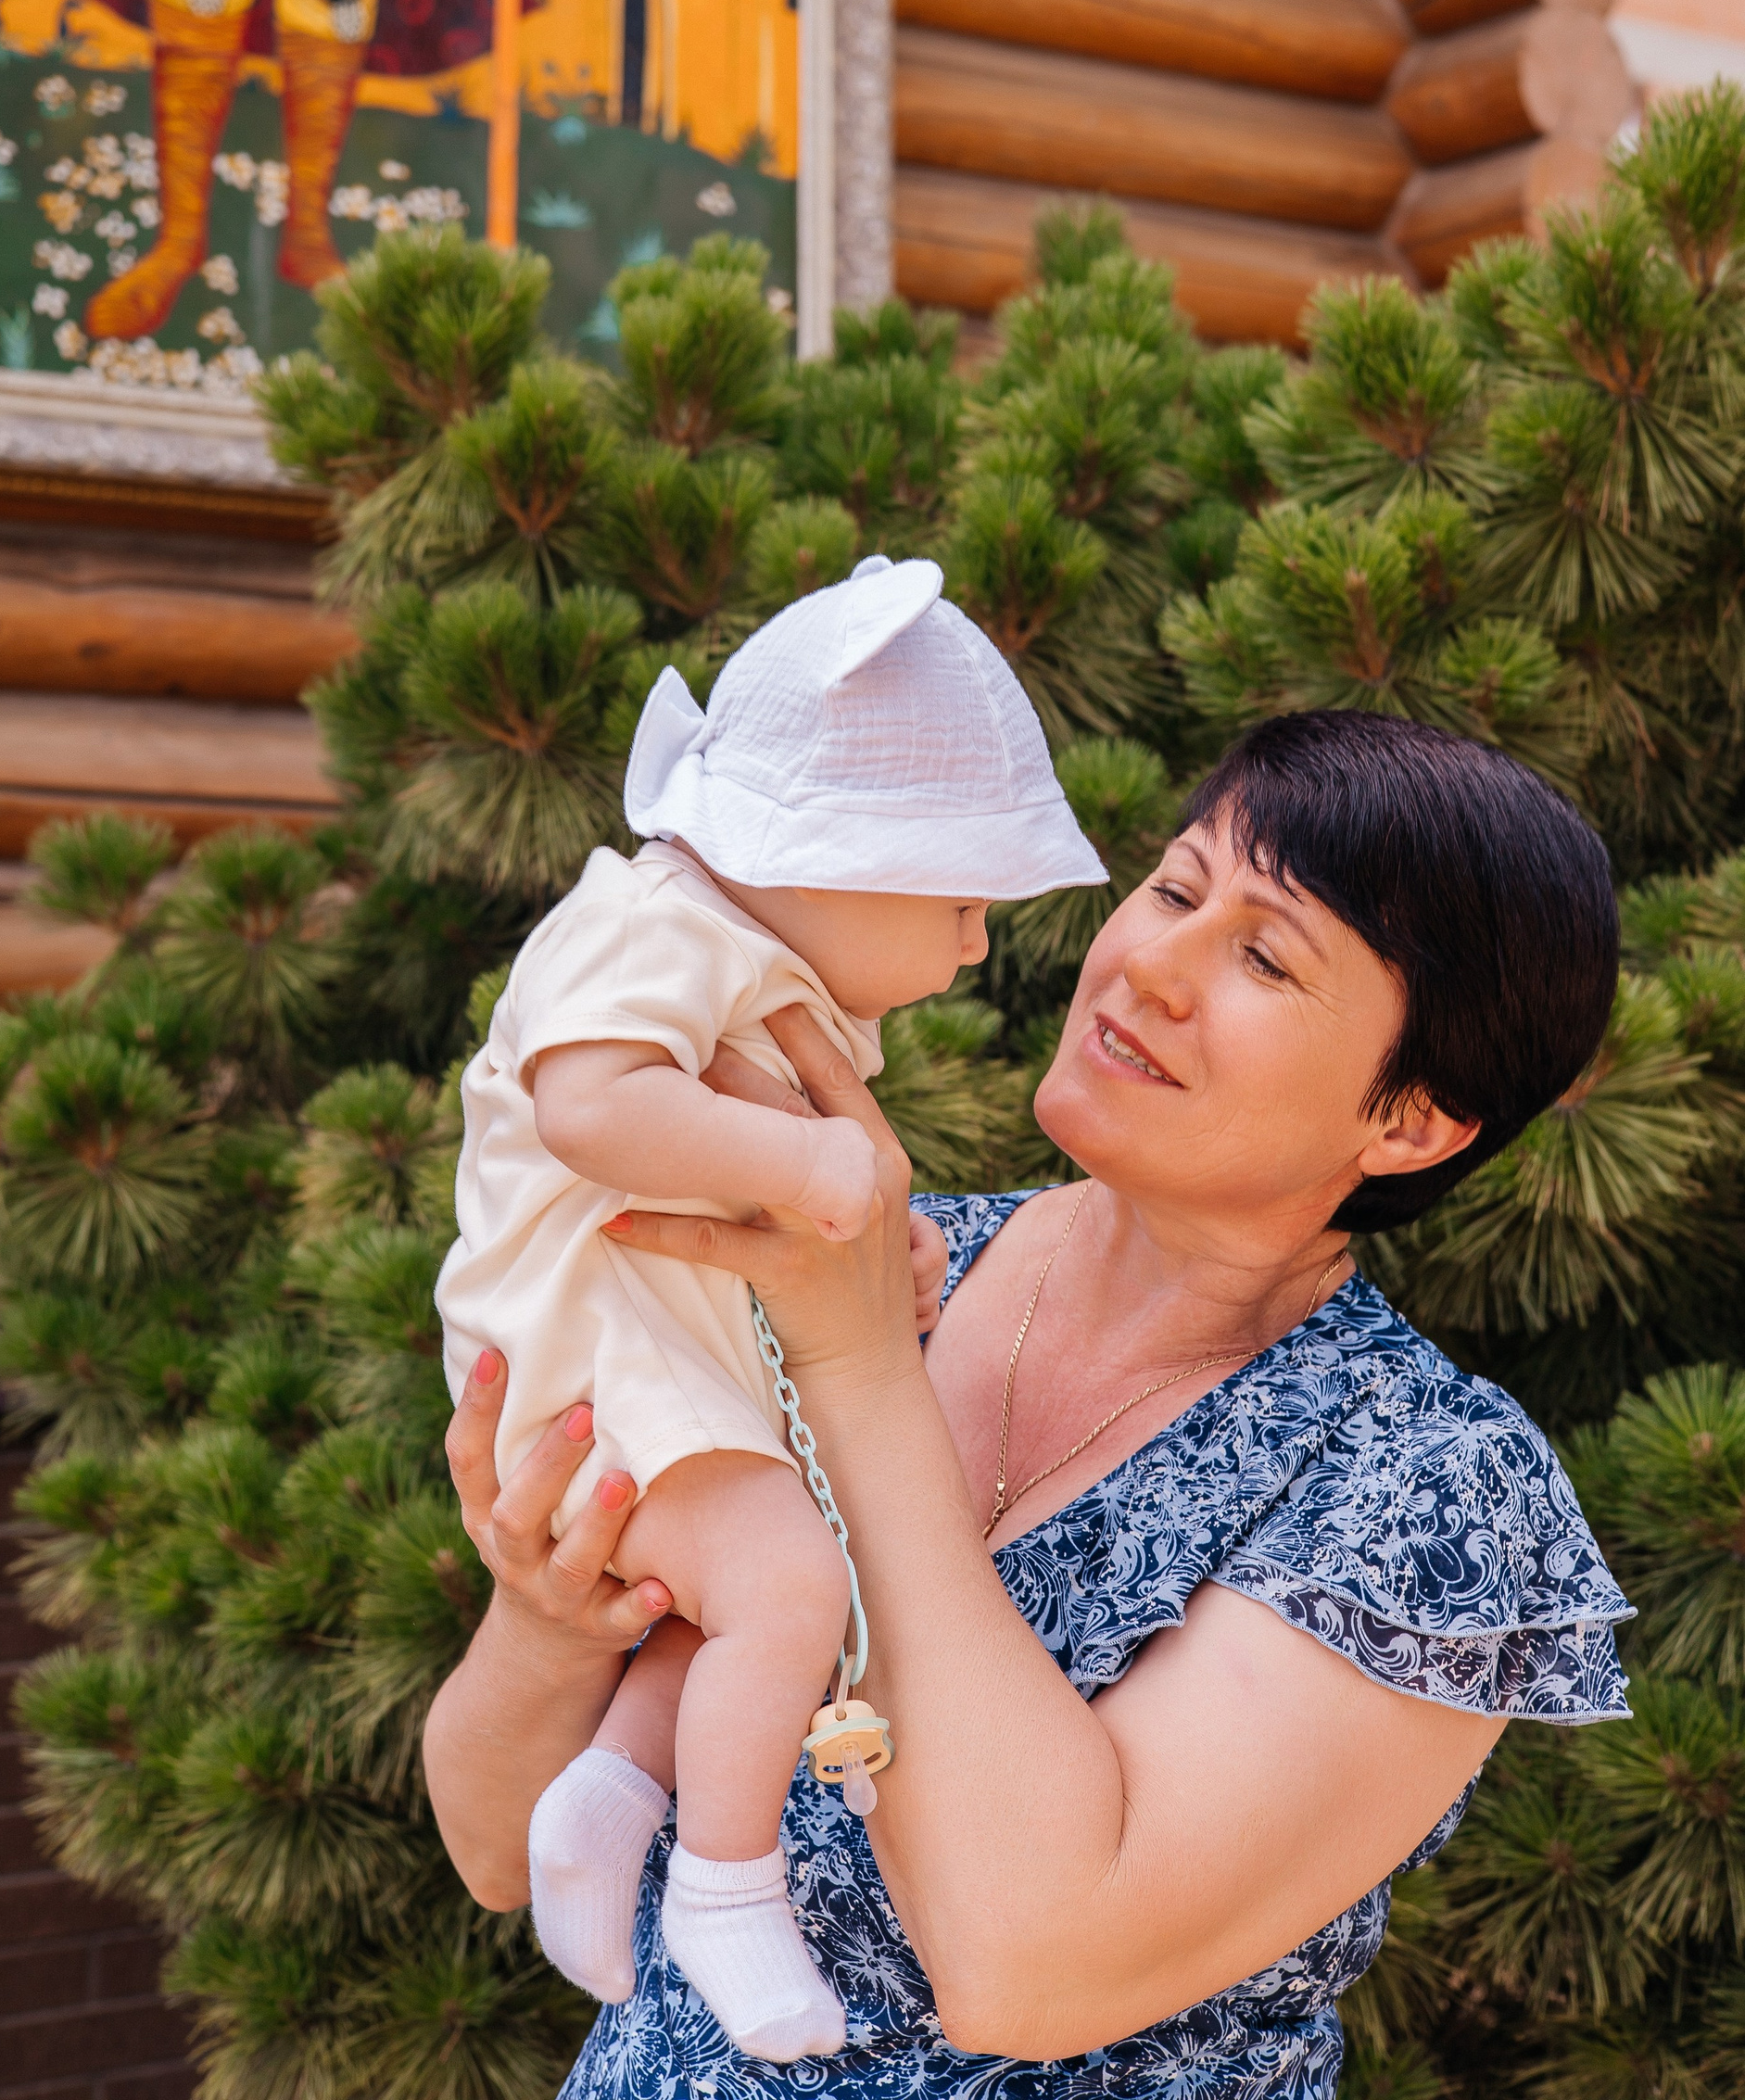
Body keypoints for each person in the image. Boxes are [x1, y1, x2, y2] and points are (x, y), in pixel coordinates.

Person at [424, 708, 1632, 2097]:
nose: (1149, 966)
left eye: (1262, 956)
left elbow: (1031, 1969)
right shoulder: (878, 1256)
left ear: (1408, 1120)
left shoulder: (1426, 1481)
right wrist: (549, 1624)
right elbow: (499, 1851)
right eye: (1174, 889)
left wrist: (860, 1368)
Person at [433, 553, 1105, 2065]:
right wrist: (812, 1164)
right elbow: (591, 1103)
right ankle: (725, 1895)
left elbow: (761, 1210)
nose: (977, 944)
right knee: (793, 1588)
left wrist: (877, 1241)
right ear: (840, 855)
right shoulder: (655, 926)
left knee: (744, 1591)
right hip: (595, 1353)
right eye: (963, 898)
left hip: (658, 1351)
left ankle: (612, 1796)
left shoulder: (734, 966)